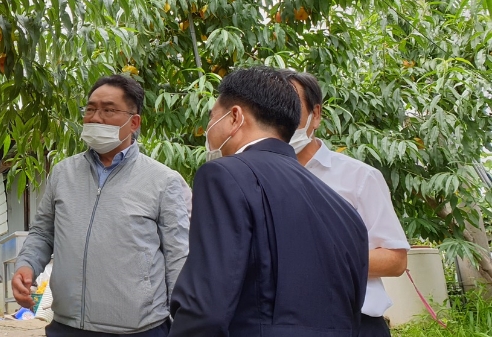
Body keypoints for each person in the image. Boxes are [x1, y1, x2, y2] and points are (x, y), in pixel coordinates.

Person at [168, 66, 369, 337]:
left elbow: (206, 308)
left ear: (235, 116)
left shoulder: (225, 175)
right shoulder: (343, 210)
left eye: (212, 116)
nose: (209, 129)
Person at [11, 74, 191, 337]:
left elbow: (178, 258)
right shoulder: (63, 173)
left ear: (134, 122)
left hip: (139, 330)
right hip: (67, 325)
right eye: (91, 109)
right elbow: (42, 233)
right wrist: (25, 266)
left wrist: (184, 324)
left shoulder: (164, 181)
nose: (95, 118)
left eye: (108, 110)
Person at [286, 71, 410, 337]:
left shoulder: (359, 177)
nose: (281, 120)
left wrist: (315, 259)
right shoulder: (256, 180)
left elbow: (395, 260)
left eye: (291, 108)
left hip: (354, 323)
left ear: (315, 115)